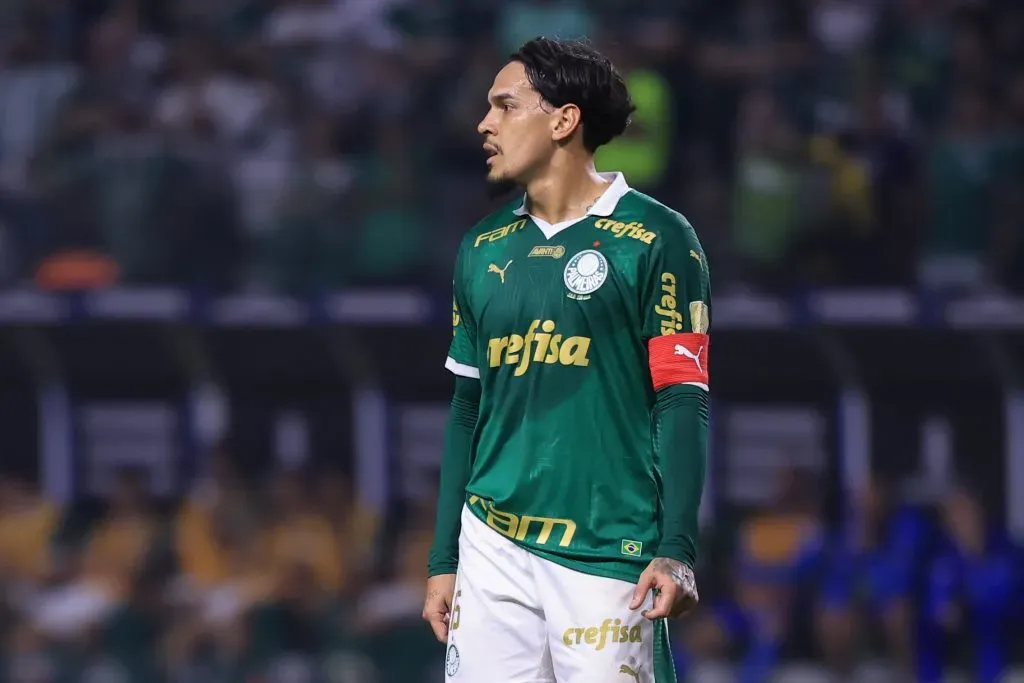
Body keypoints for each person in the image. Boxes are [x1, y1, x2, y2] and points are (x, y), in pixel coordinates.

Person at [422, 37, 711, 683]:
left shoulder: (658, 239)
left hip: (610, 548)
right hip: (492, 543)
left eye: (504, 105)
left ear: (563, 119)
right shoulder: (483, 246)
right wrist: (445, 557)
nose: (484, 123)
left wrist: (678, 550)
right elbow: (468, 405)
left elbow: (682, 396)